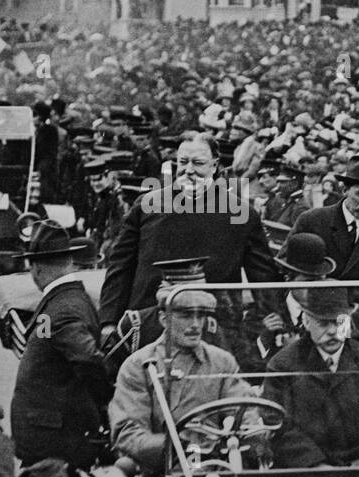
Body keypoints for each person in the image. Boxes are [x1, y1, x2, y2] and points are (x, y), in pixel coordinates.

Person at [98, 132, 277, 335]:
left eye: (198, 163)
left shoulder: (241, 213)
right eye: (183, 162)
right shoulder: (148, 204)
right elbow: (121, 266)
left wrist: (277, 326)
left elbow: (264, 278)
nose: (189, 170)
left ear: (215, 165)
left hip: (214, 331)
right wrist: (109, 322)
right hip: (149, 327)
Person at [109, 282, 252, 476]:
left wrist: (251, 432)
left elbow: (243, 410)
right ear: (163, 319)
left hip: (218, 468)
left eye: (200, 315)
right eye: (185, 315)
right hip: (160, 472)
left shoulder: (222, 362)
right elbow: (128, 432)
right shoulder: (139, 365)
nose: (195, 324)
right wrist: (175, 446)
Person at [262, 285, 359, 468]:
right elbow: (276, 424)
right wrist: (315, 465)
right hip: (305, 476)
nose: (332, 331)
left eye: (339, 322)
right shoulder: (282, 366)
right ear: (306, 321)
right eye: (322, 323)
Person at [10, 222, 113, 470]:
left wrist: (104, 400)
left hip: (53, 438)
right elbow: (50, 343)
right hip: (51, 432)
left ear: (35, 267)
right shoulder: (65, 301)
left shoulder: (63, 307)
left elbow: (88, 359)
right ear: (69, 262)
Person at [291, 155, 359, 333]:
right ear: (344, 190)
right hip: (313, 318)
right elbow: (287, 268)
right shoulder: (312, 221)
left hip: (357, 324)